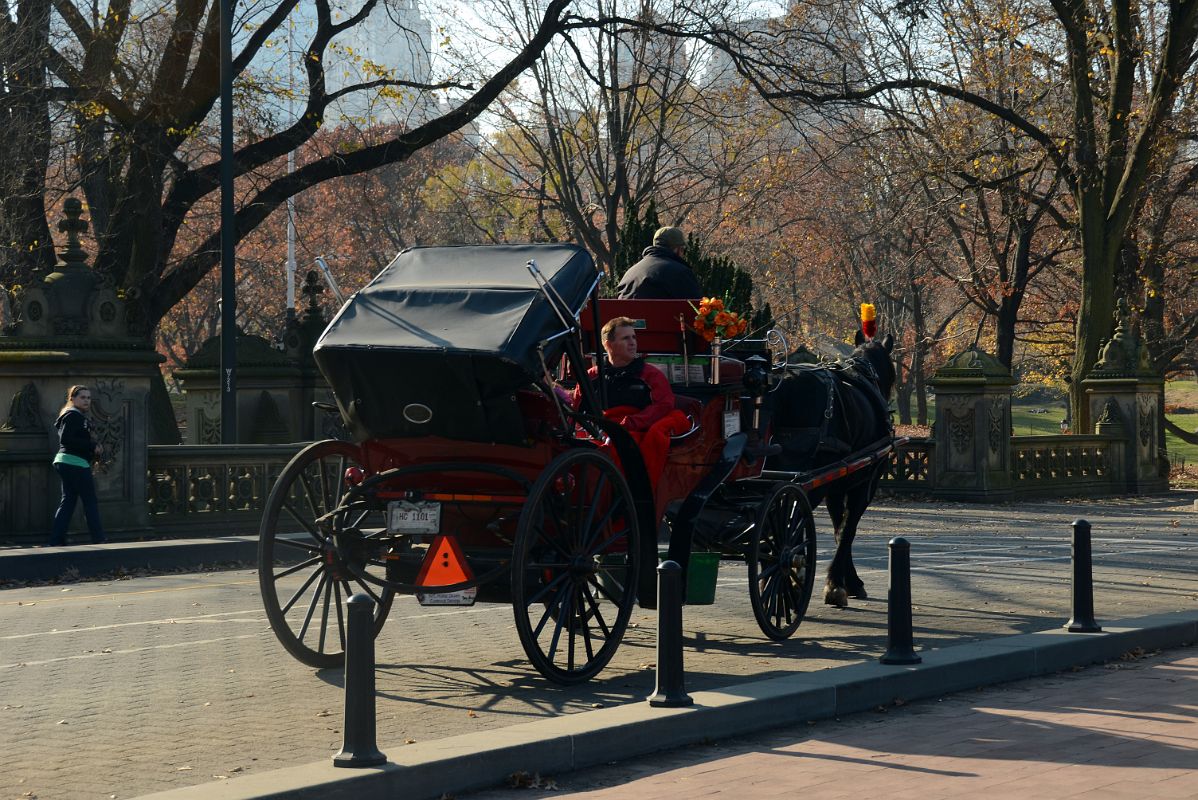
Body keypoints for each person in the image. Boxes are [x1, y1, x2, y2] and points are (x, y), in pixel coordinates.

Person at [49, 385, 106, 546]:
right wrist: (91, 445)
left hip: (66, 461)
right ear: (72, 399)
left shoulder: (73, 415)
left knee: (68, 501)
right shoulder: (73, 416)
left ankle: (56, 541)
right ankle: (99, 538)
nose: (87, 400)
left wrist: (92, 447)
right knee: (90, 501)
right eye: (82, 397)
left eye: (88, 398)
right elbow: (66, 440)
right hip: (74, 463)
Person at [616, 226, 703, 300]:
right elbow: (695, 308)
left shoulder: (630, 272)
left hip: (627, 319)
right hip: (662, 320)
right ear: (678, 249)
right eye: (683, 250)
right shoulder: (681, 272)